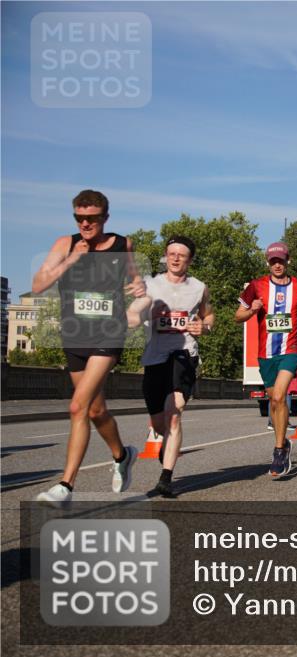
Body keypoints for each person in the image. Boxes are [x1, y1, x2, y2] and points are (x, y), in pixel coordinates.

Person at [33, 189, 146, 508]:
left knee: (77, 406)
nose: (85, 223)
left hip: (108, 335)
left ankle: (65, 486)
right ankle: (123, 455)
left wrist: (139, 289)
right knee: (95, 410)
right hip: (75, 336)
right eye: (79, 218)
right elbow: (39, 284)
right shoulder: (64, 245)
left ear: (105, 218)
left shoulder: (123, 245)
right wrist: (72, 259)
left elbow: (137, 283)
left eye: (92, 218)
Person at [126, 235, 213, 498]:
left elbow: (208, 315)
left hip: (184, 354)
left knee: (174, 413)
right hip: (154, 357)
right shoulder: (151, 285)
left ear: (190, 259)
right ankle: (166, 444)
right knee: (158, 423)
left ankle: (166, 479)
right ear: (166, 256)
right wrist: (133, 315)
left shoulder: (199, 288)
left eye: (181, 254)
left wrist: (205, 327)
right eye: (171, 253)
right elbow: (133, 313)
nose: (175, 258)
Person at [235, 242, 297, 477]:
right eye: (272, 261)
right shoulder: (256, 286)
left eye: (280, 260)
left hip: (291, 349)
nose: (277, 265)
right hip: (265, 353)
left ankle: (279, 449)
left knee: (280, 396)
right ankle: (284, 444)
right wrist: (252, 310)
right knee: (274, 401)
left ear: (287, 261)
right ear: (268, 262)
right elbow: (237, 316)